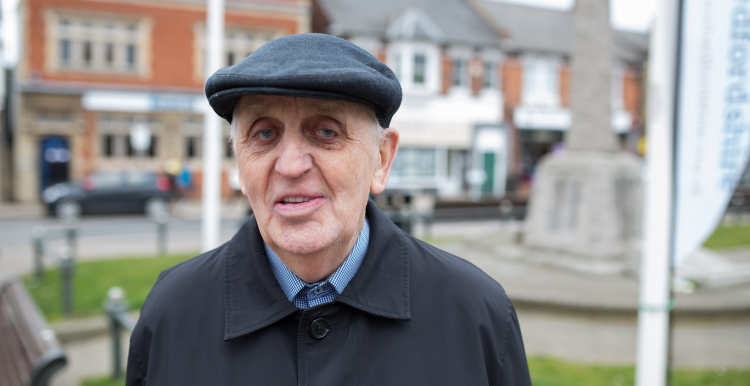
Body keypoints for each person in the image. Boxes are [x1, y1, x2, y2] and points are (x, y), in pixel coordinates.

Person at [126, 33, 531, 386]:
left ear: (381, 160)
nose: (290, 165)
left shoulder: (476, 316)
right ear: (239, 162)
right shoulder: (172, 314)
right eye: (264, 134)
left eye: (325, 132)